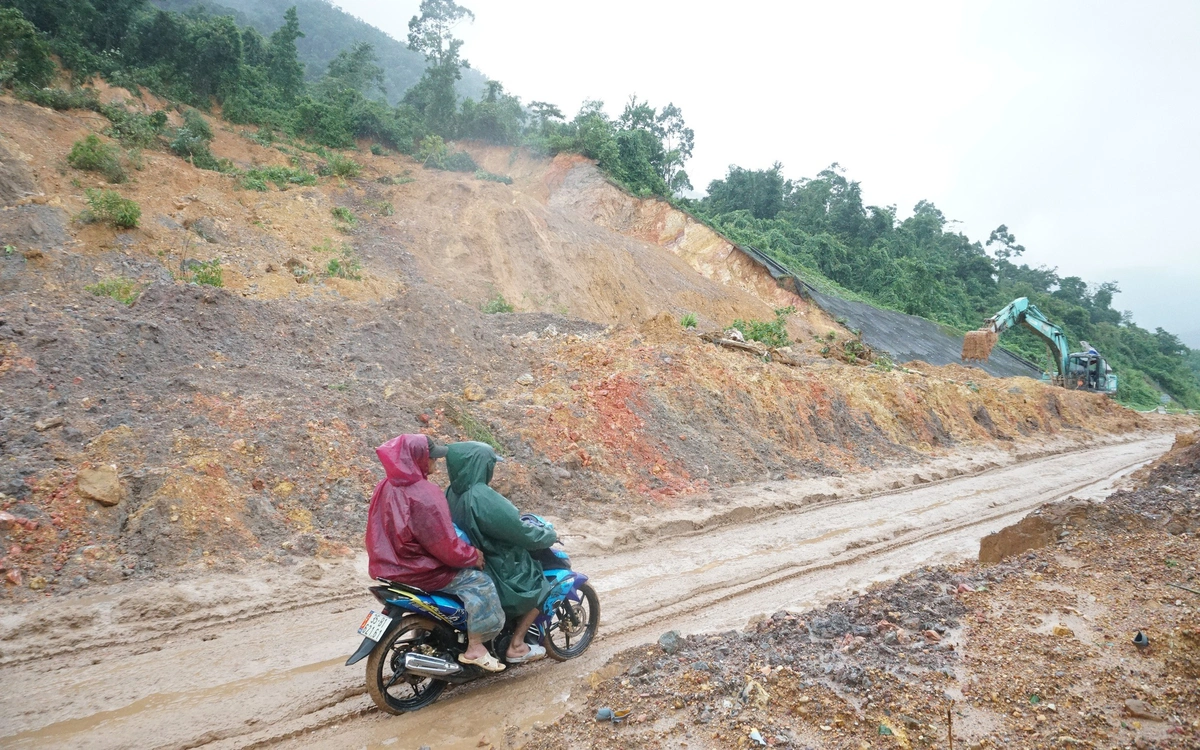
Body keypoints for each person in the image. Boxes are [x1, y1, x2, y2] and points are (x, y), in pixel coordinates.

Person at [365, 434, 507, 672]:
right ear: (418, 458)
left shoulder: (385, 485)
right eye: (432, 458)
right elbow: (445, 546)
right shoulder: (425, 493)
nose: (435, 463)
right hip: (419, 570)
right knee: (480, 584)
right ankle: (476, 648)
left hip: (387, 565)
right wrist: (473, 555)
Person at [445, 441, 557, 664]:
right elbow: (519, 530)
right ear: (482, 466)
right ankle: (516, 645)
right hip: (498, 564)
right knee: (542, 584)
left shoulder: (450, 492)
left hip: (469, 560)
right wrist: (548, 536)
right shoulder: (482, 496)